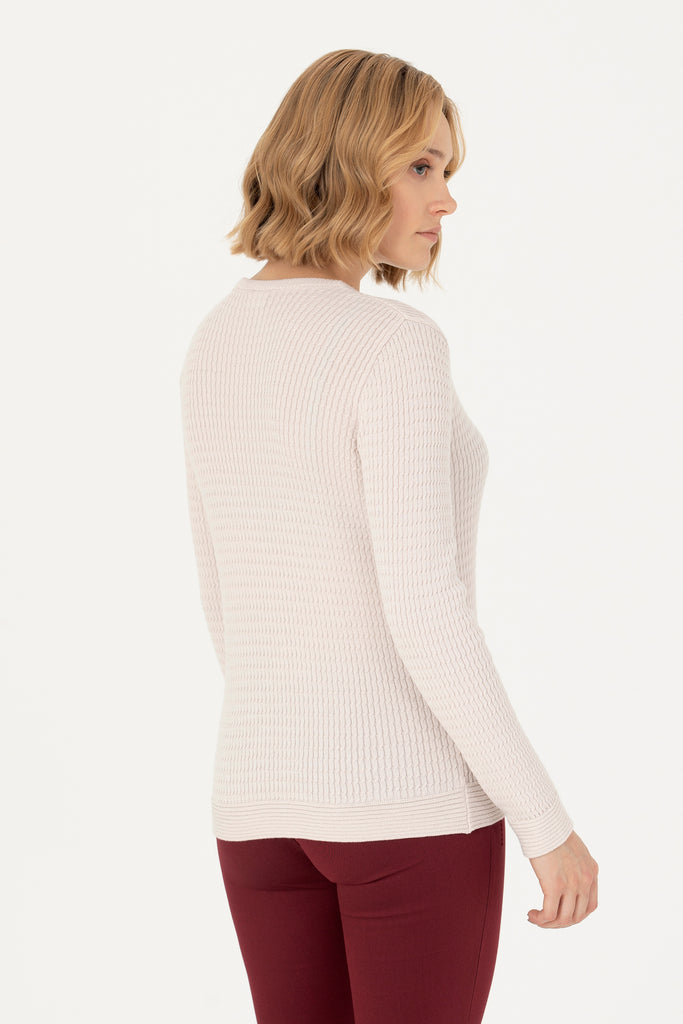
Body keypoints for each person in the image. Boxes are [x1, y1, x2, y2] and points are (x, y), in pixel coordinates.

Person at [179, 48, 598, 1024]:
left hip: (256, 805)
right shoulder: (393, 345)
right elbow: (425, 608)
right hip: (408, 809)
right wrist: (544, 822)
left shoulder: (214, 341)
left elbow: (223, 597)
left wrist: (296, 752)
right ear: (340, 157)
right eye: (419, 166)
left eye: (444, 169)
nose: (444, 199)